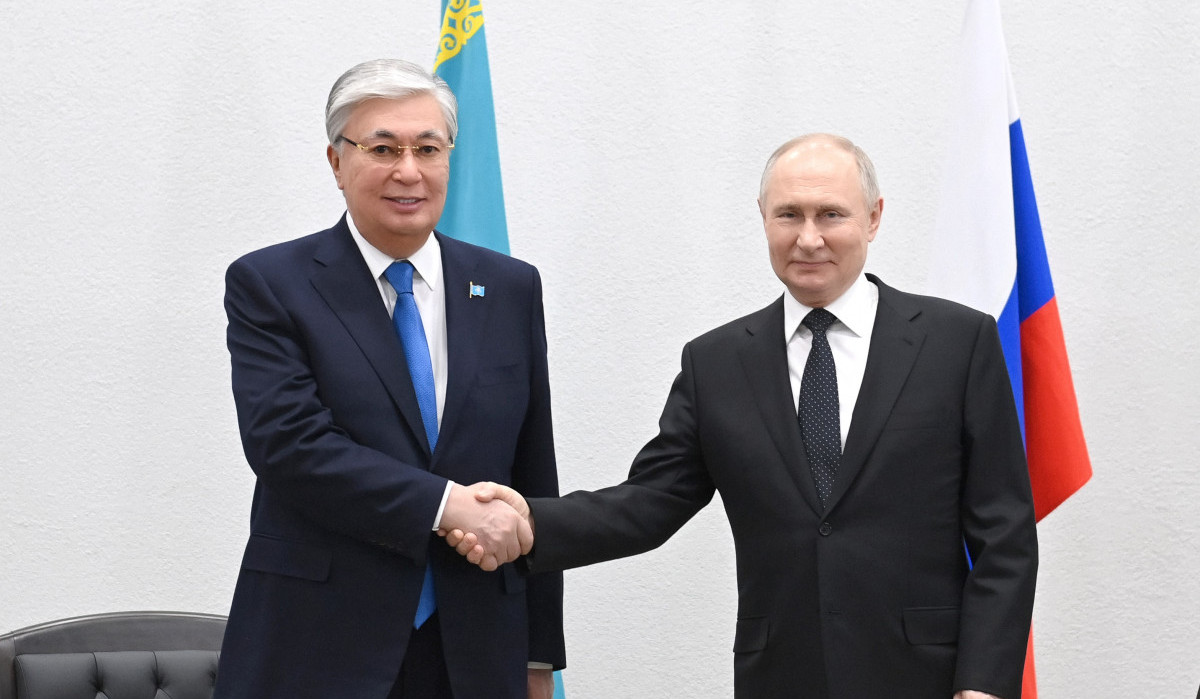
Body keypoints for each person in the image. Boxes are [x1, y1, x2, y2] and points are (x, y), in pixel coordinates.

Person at [451, 134, 1038, 698]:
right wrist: (532, 521)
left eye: (831, 215)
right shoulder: (716, 363)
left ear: (874, 218)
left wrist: (984, 682)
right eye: (789, 215)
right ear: (763, 218)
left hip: (926, 677)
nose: (809, 238)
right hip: (781, 677)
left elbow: (1004, 536)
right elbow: (650, 502)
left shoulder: (957, 344)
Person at [214, 58, 564, 699]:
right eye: (383, 149)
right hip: (320, 644)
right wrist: (447, 505)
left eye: (428, 148)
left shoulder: (509, 287)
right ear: (336, 161)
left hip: (477, 646)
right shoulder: (272, 284)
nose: (409, 170)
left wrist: (539, 656)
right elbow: (289, 447)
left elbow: (532, 468)